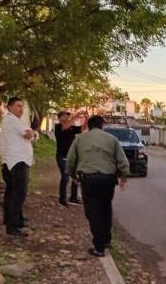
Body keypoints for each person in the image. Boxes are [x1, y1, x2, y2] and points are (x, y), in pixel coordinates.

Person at [66, 115, 129, 257]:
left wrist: (73, 175)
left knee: (93, 212)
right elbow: (123, 161)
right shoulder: (112, 139)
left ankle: (99, 247)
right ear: (102, 125)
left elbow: (70, 160)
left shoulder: (79, 139)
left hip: (89, 180)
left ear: (88, 125)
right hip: (108, 179)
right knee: (106, 208)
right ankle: (106, 240)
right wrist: (123, 177)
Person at [0, 97, 37, 237]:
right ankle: (13, 226)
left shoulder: (13, 121)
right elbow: (29, 134)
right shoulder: (11, 120)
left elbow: (32, 134)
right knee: (19, 193)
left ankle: (14, 220)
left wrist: (33, 134)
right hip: (18, 162)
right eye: (17, 106)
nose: (21, 109)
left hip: (12, 161)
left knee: (11, 191)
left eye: (22, 106)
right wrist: (32, 134)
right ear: (9, 107)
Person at [54, 110, 86, 206]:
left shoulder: (71, 127)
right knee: (65, 177)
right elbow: (66, 126)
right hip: (62, 156)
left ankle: (73, 197)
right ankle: (62, 200)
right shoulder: (58, 127)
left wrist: (87, 118)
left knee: (75, 176)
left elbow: (83, 128)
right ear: (59, 118)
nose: (67, 117)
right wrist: (76, 116)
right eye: (64, 116)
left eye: (68, 116)